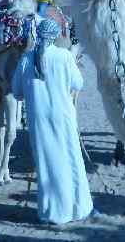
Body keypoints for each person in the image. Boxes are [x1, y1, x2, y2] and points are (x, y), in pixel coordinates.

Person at [12, 19, 94, 224]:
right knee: (71, 160)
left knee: (47, 164)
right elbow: (79, 84)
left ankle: (52, 212)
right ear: (56, 35)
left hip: (38, 121)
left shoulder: (26, 58)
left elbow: (17, 92)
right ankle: (79, 209)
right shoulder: (64, 56)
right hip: (63, 117)